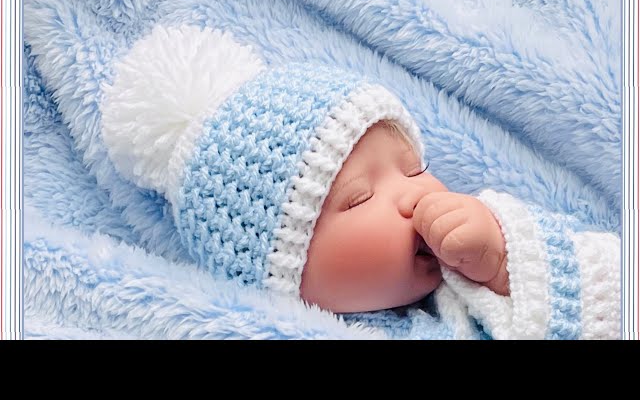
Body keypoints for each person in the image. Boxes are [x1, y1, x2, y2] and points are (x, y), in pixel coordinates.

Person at [101, 24, 620, 339]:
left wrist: (504, 265)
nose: (413, 193)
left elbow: (616, 291)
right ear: (284, 278)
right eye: (359, 198)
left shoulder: (470, 284)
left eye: (414, 168)